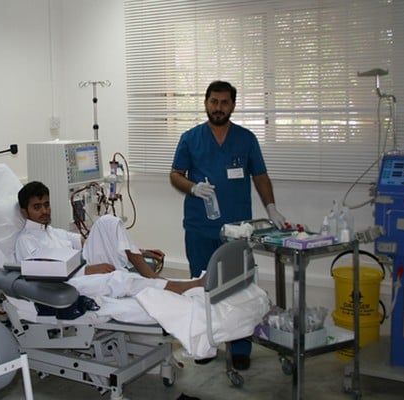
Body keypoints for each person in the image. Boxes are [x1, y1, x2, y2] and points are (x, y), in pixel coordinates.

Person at [169, 80, 287, 370]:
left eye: (224, 102)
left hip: (237, 229)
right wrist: (192, 187)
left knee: (239, 286)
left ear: (232, 105)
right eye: (214, 102)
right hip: (200, 227)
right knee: (200, 286)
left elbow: (260, 176)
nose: (218, 108)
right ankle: (204, 344)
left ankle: (240, 347)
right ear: (206, 103)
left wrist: (271, 207)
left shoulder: (246, 139)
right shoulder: (190, 138)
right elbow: (175, 174)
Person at [15, 181, 205, 298]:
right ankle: (177, 286)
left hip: (82, 270)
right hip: (67, 284)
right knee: (118, 279)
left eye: (46, 205)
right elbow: (41, 271)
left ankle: (151, 276)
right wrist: (88, 270)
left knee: (107, 222)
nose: (44, 211)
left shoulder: (54, 232)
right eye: (37, 207)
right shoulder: (26, 240)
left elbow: (87, 243)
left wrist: (141, 251)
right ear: (24, 212)